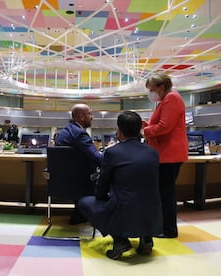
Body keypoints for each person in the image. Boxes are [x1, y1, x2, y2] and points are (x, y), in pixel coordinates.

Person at [78, 111, 162, 260]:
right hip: (152, 214)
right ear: (139, 130)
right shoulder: (153, 153)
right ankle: (146, 239)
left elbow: (102, 188)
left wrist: (101, 199)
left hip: (124, 212)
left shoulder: (113, 153)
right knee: (140, 197)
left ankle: (120, 241)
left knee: (85, 202)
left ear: (119, 130)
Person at [142, 73, 188, 239]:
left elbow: (164, 127)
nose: (151, 93)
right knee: (163, 192)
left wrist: (145, 130)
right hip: (165, 154)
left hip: (170, 154)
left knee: (166, 193)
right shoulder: (165, 100)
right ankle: (164, 226)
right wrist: (147, 125)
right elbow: (161, 125)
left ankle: (169, 230)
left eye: (152, 90)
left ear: (162, 87)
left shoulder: (172, 98)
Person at [55, 103, 102, 225]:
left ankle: (80, 214)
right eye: (90, 114)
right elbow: (97, 159)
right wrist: (112, 151)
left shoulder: (67, 131)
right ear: (81, 116)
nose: (92, 117)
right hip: (80, 183)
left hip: (62, 181)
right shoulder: (79, 134)